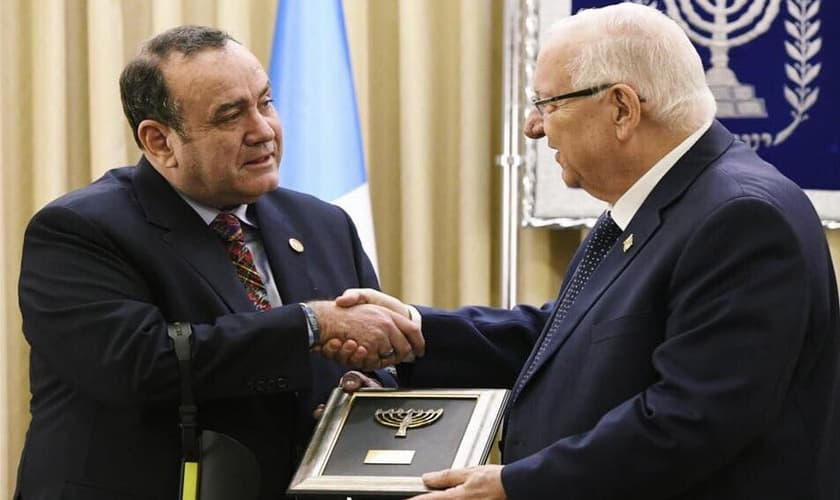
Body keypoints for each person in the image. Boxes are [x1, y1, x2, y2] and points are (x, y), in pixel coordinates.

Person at [333, 3, 840, 499]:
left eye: (549, 104)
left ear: (622, 108)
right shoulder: (668, 198)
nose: (533, 127)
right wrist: (420, 334)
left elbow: (690, 420)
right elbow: (570, 335)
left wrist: (516, 486)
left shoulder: (740, 219)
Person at [14, 25, 423, 500]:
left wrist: (366, 387)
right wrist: (313, 324)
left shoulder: (323, 223)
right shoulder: (79, 229)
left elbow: (371, 358)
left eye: (266, 102)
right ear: (160, 141)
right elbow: (141, 364)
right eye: (231, 116)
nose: (264, 129)